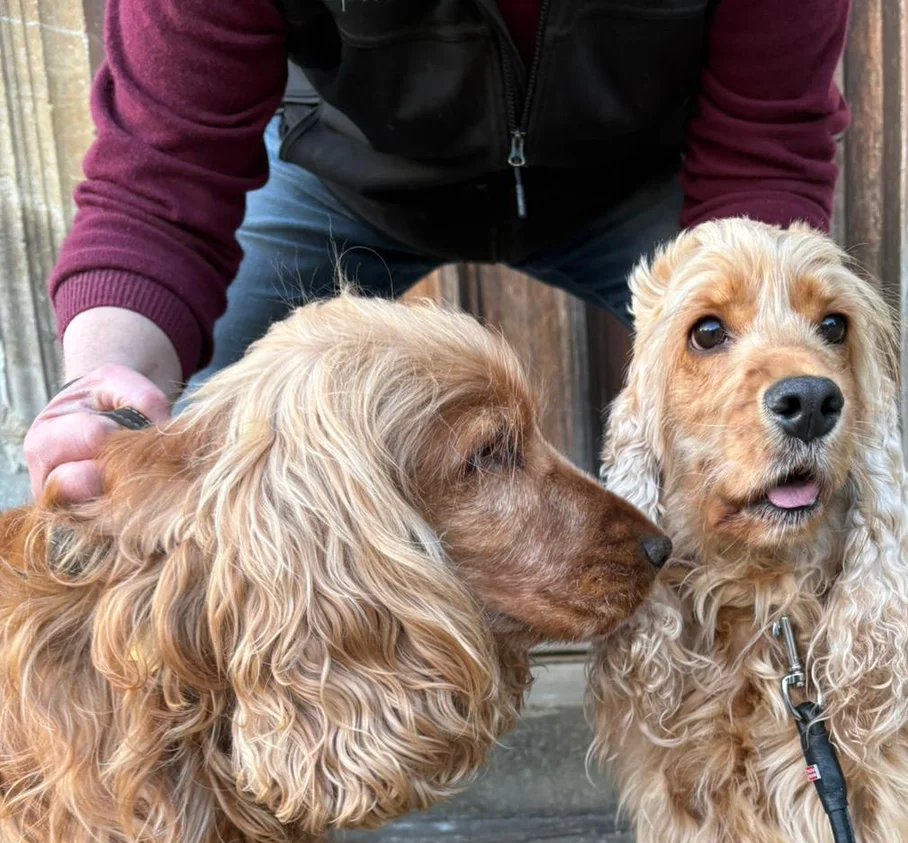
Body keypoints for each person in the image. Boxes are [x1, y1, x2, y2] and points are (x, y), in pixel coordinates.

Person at [23, 0, 851, 500]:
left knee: (812, 432)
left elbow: (767, 145)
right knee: (121, 470)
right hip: (341, 172)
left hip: (640, 186)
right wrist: (104, 395)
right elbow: (160, 180)